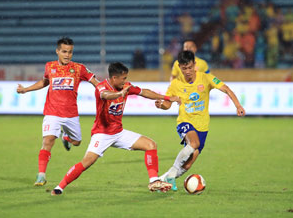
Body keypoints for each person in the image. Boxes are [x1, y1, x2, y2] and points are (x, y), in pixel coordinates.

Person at [51, 62, 180, 195]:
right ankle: (59, 187)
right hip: (102, 134)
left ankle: (154, 181)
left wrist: (167, 98)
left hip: (118, 132)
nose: (125, 81)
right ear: (114, 78)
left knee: (150, 144)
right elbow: (106, 95)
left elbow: (144, 92)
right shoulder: (101, 88)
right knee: (87, 162)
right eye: (123, 78)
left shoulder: (126, 87)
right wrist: (120, 94)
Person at [155, 51, 245, 191]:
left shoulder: (206, 78)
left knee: (187, 165)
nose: (188, 71)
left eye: (190, 67)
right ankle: (171, 175)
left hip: (202, 126)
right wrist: (161, 105)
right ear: (179, 67)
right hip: (185, 122)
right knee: (194, 143)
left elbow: (226, 89)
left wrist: (238, 105)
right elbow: (167, 104)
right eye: (184, 68)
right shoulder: (175, 84)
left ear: (195, 65)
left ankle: (163, 179)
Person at [16, 37, 100, 186]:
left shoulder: (79, 68)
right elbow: (45, 82)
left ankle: (66, 137)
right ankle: (41, 175)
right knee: (47, 141)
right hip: (52, 111)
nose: (67, 55)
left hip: (71, 114)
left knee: (77, 142)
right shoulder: (50, 66)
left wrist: (104, 92)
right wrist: (25, 90)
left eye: (70, 52)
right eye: (64, 51)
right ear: (57, 51)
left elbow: (95, 82)